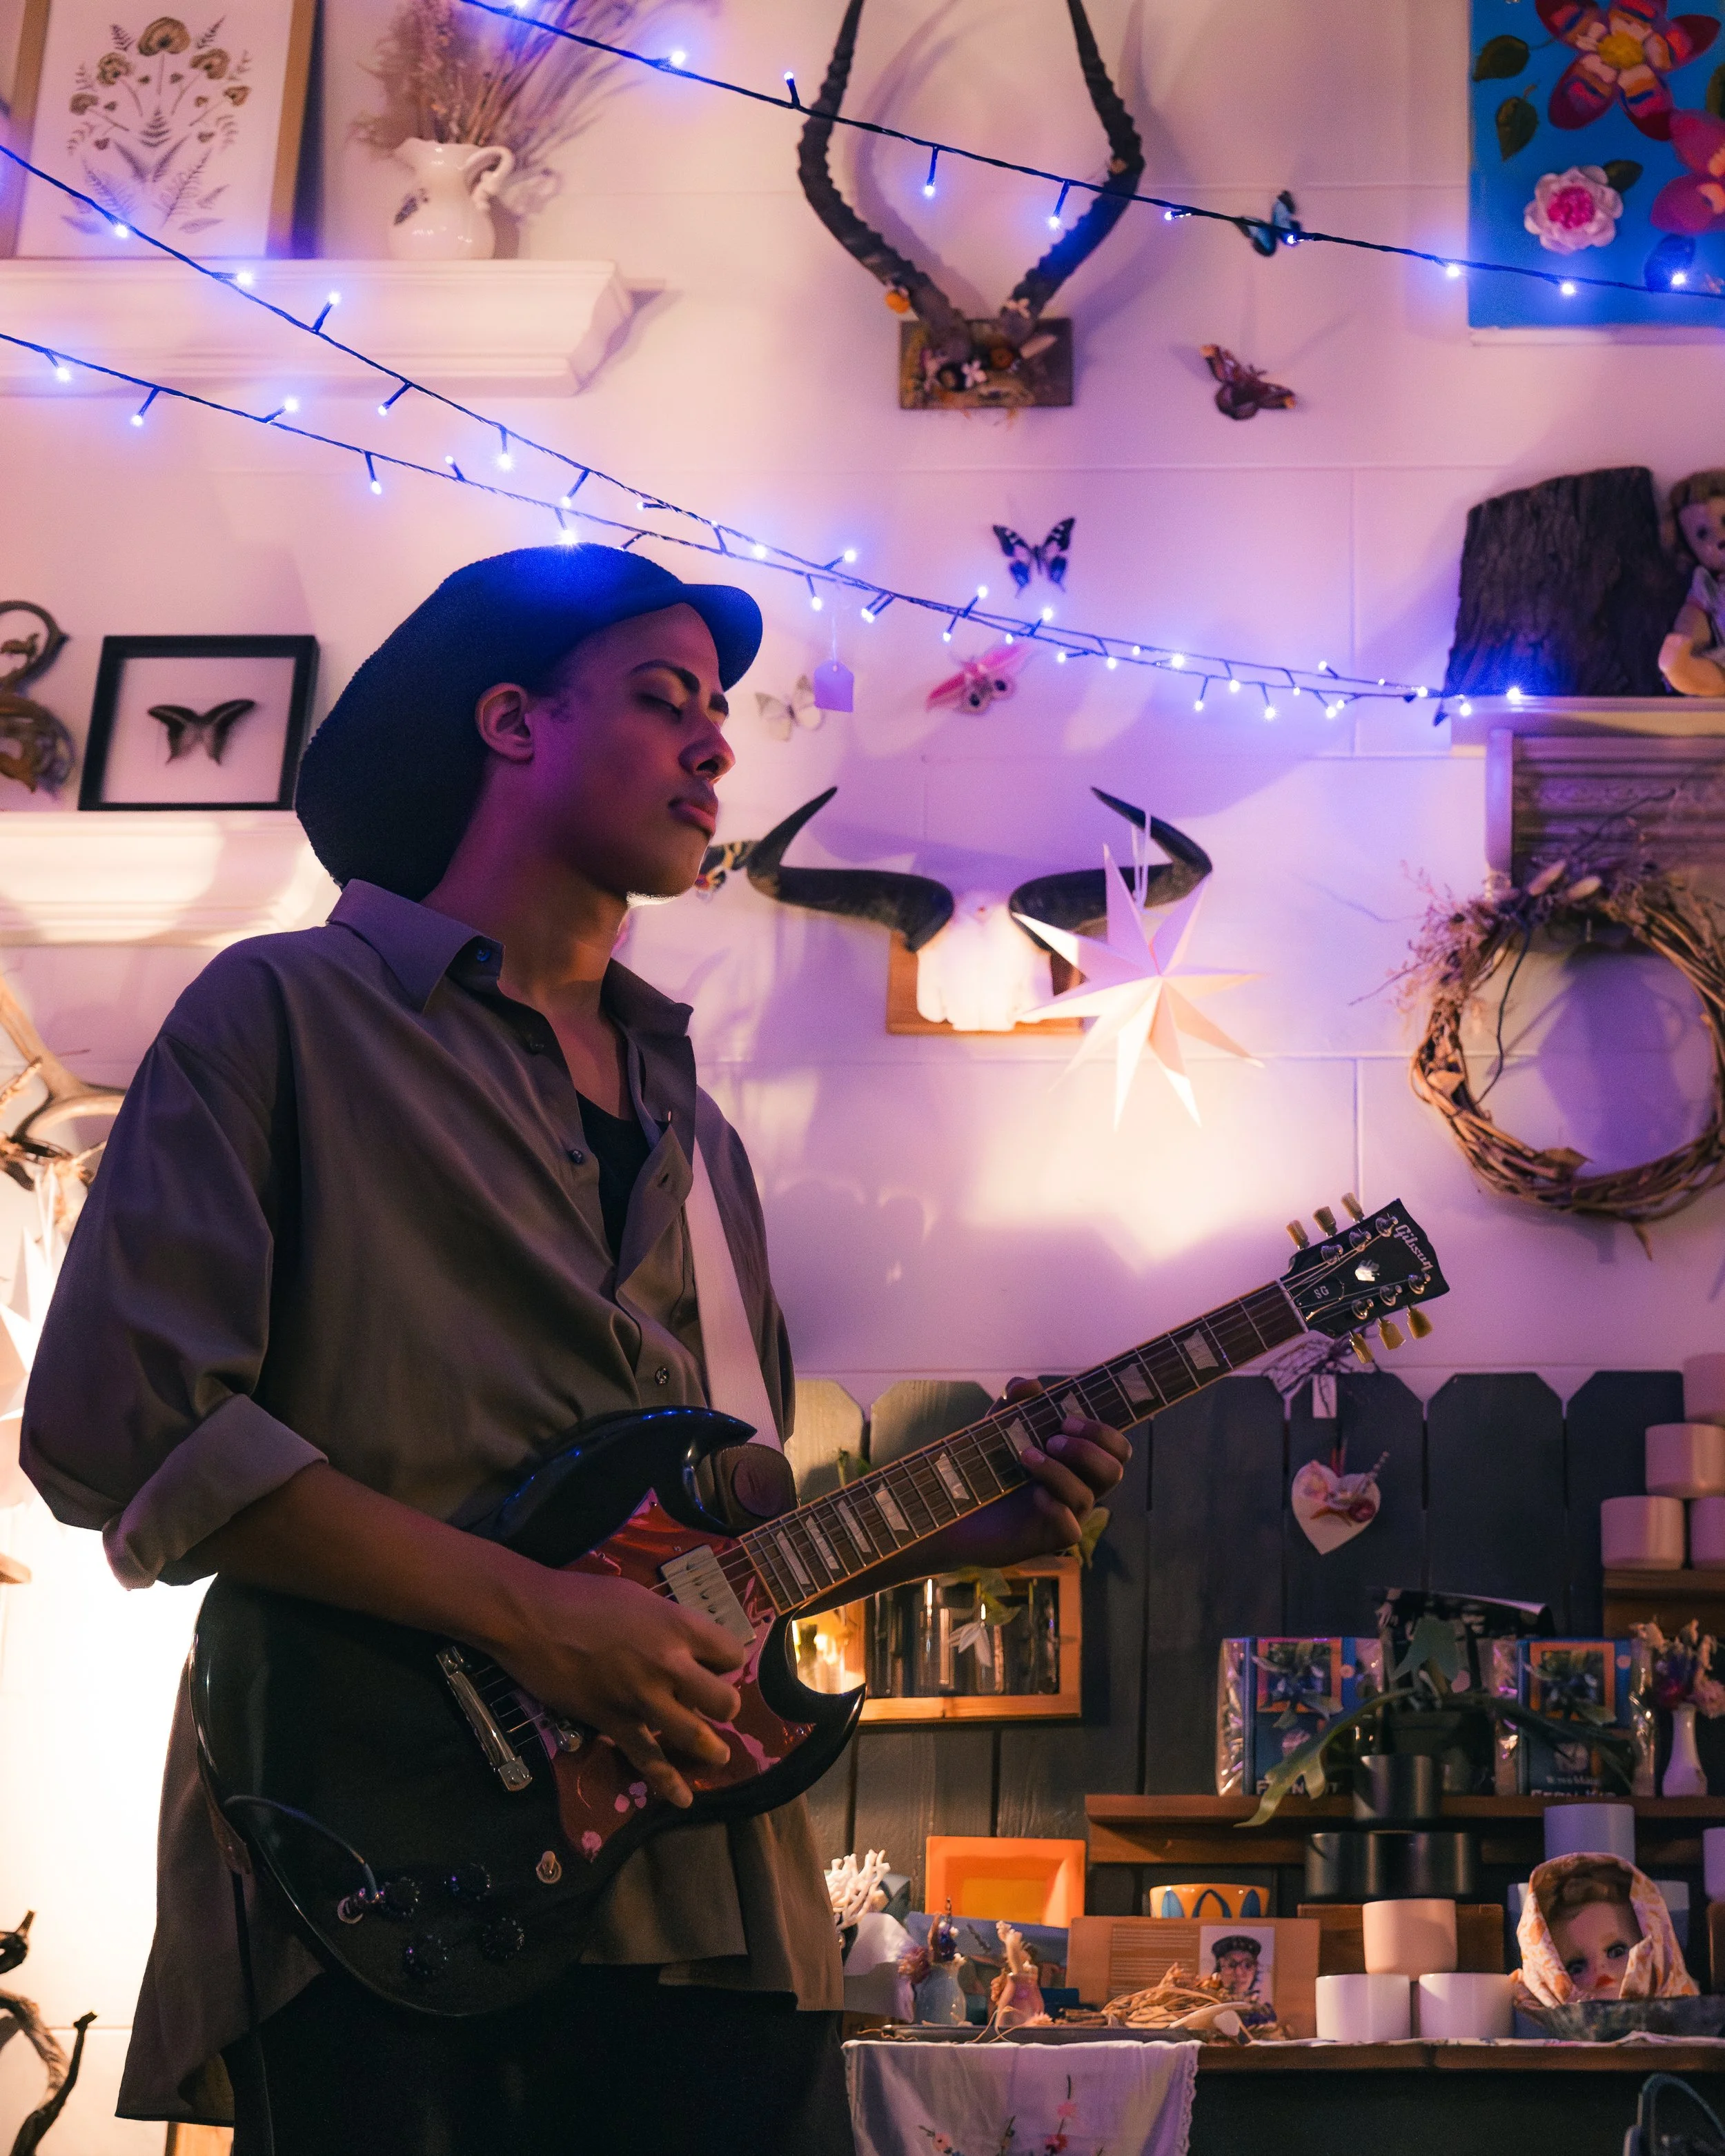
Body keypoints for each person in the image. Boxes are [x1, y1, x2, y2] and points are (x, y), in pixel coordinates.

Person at [20, 545, 1129, 2156]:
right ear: (511, 721)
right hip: (382, 1870)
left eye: (722, 710)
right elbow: (118, 1435)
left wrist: (937, 1531)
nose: (716, 746)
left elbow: (683, 1553)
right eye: (664, 699)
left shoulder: (699, 1122)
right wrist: (530, 1617)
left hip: (716, 1894)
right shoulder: (284, 1016)